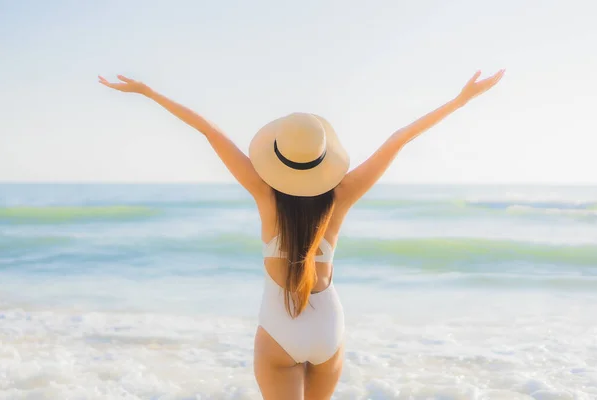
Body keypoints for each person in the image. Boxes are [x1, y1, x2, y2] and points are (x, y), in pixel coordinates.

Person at [98, 69, 505, 399]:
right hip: (329, 324)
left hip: (280, 327)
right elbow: (398, 140)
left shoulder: (264, 193)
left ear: (277, 157)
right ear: (324, 158)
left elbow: (208, 131)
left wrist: (148, 92)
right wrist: (460, 100)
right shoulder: (342, 196)